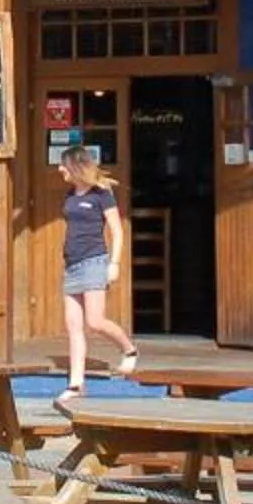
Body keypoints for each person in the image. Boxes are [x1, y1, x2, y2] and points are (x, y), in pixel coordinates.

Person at [57, 147, 139, 406]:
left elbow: (117, 230)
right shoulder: (71, 194)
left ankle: (129, 349)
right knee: (73, 326)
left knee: (95, 321)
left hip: (94, 261)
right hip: (72, 264)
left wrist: (113, 263)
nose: (60, 170)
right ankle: (76, 383)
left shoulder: (102, 193)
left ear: (75, 166)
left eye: (63, 166)